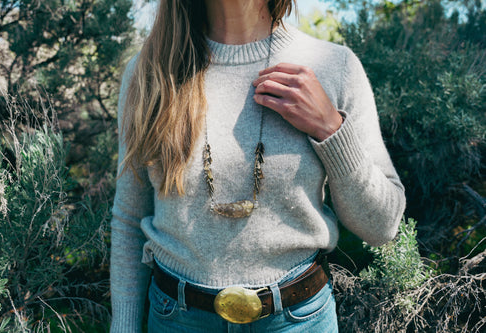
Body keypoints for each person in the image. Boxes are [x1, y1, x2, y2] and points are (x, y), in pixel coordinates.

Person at [110, 0, 406, 332]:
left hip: (299, 320)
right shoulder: (150, 73)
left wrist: (331, 129)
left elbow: (381, 226)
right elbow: (128, 218)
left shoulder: (334, 67)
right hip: (177, 318)